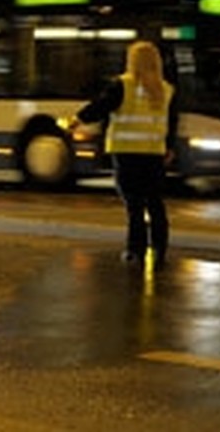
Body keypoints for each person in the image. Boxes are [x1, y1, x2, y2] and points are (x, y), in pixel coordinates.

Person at [70, 41, 178, 268]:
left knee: (134, 206)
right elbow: (172, 123)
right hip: (153, 155)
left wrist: (77, 120)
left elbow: (101, 106)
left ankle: (134, 251)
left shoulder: (123, 85)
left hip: (126, 154)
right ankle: (160, 249)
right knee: (156, 204)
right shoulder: (166, 90)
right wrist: (169, 147)